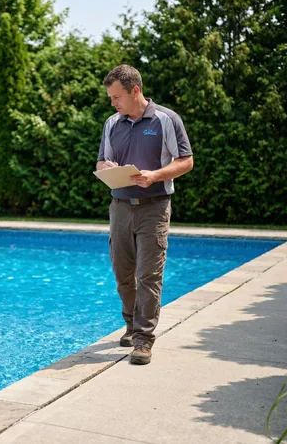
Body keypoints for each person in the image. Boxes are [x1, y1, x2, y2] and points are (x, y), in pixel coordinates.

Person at [97, 65, 194, 365]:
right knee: (123, 273)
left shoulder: (166, 120)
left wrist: (156, 175)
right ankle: (130, 324)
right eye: (111, 97)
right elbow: (101, 162)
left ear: (135, 90)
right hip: (120, 207)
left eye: (117, 96)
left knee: (149, 275)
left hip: (155, 207)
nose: (113, 103)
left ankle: (143, 340)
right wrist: (108, 169)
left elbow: (186, 161)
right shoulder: (113, 123)